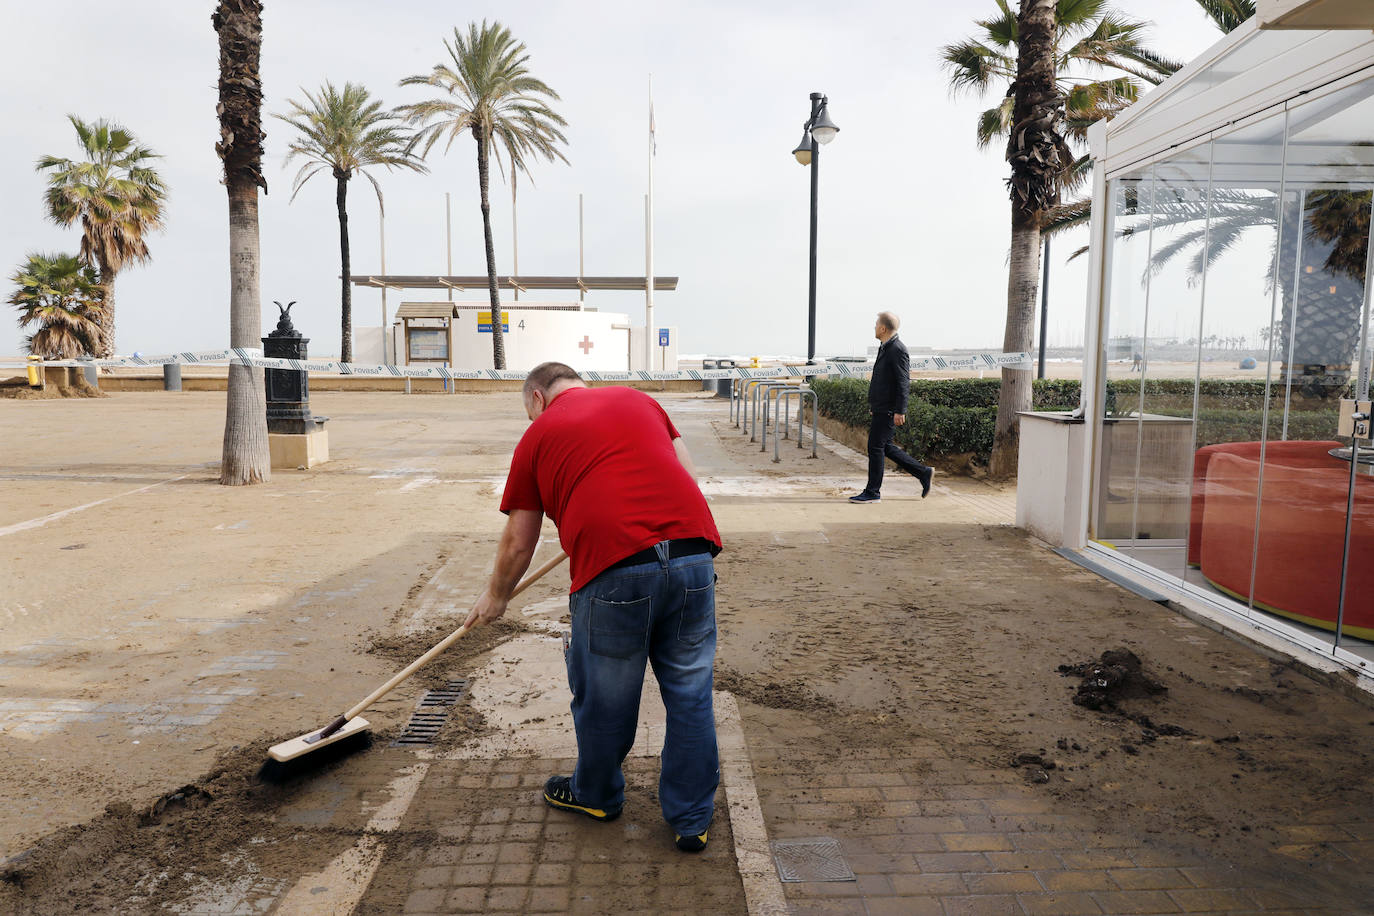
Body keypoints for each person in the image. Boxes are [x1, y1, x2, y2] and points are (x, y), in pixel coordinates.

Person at [464, 361, 723, 853]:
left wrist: (496, 596)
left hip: (615, 572)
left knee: (605, 699)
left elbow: (520, 541)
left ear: (537, 399)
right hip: (692, 554)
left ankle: (597, 795)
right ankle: (692, 820)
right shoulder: (640, 401)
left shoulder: (538, 435)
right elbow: (687, 478)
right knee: (690, 693)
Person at [850, 311, 933, 503]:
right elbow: (882, 379)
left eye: (876, 324)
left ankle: (873, 492)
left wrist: (900, 410)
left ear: (883, 328)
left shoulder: (897, 349)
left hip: (888, 409)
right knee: (883, 447)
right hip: (881, 406)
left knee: (876, 447)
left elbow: (903, 381)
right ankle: (923, 472)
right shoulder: (886, 347)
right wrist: (874, 403)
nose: (874, 327)